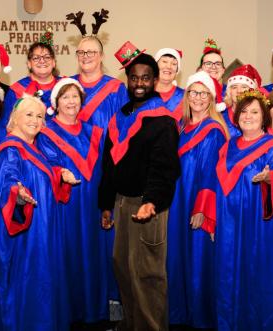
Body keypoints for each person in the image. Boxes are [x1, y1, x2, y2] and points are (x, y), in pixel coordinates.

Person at [98, 43, 181, 331]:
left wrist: (152, 201)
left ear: (155, 81)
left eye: (146, 78)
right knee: (123, 268)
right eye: (135, 77)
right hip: (122, 203)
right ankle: (131, 325)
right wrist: (106, 204)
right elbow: (109, 165)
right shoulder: (119, 118)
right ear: (128, 80)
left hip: (149, 206)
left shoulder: (163, 120)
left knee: (147, 273)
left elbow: (165, 168)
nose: (140, 83)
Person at [0, 95, 78, 330]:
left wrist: (59, 174)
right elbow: (8, 181)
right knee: (29, 282)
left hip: (42, 229)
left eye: (39, 116)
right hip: (26, 235)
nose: (35, 120)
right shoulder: (10, 150)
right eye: (29, 115)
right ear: (14, 118)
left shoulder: (32, 147)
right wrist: (16, 196)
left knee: (43, 281)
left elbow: (39, 177)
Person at [206, 89, 273, 330]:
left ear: (264, 116)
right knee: (227, 274)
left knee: (256, 275)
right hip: (228, 223)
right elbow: (216, 181)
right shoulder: (228, 145)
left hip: (257, 224)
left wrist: (269, 177)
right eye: (244, 111)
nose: (248, 116)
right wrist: (213, 218)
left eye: (255, 111)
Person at [35, 78, 115, 325]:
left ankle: (97, 312)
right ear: (56, 102)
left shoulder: (95, 132)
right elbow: (46, 167)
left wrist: (106, 205)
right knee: (68, 254)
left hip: (92, 205)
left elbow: (107, 171)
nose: (71, 102)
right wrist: (60, 173)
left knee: (95, 255)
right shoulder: (46, 133)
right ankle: (70, 313)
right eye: (65, 97)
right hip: (65, 206)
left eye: (75, 97)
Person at [166, 71, 229, 329]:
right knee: (178, 254)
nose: (198, 98)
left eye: (204, 93)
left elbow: (211, 172)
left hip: (197, 203)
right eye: (193, 92)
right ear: (186, 95)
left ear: (212, 99)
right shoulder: (181, 127)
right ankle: (179, 314)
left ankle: (200, 317)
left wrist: (202, 208)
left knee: (198, 256)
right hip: (178, 198)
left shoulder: (213, 130)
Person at [1, 34, 61, 128]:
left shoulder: (65, 86)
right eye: (36, 58)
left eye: (47, 57)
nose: (42, 61)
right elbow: (5, 125)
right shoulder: (16, 90)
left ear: (54, 62)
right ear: (29, 64)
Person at [71, 35, 129, 129]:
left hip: (106, 143)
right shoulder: (68, 84)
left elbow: (125, 127)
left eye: (90, 52)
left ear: (101, 56)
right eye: (81, 52)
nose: (85, 56)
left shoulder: (117, 88)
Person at [222, 64, 261, 137]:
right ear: (229, 91)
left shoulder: (260, 115)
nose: (239, 91)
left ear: (252, 91)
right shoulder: (221, 116)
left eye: (244, 87)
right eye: (234, 87)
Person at [154, 48, 186, 121]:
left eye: (174, 64)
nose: (169, 66)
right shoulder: (145, 94)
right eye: (164, 61)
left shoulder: (185, 97)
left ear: (177, 70)